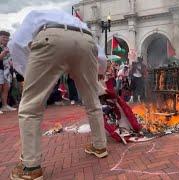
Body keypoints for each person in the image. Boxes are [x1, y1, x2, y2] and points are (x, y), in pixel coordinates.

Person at [8, 10, 108, 179]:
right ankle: (100, 146)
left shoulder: (36, 15)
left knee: (30, 106)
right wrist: (101, 71)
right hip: (86, 41)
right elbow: (101, 56)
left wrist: (28, 72)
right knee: (93, 102)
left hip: (52, 37)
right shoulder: (78, 23)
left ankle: (30, 167)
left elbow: (17, 44)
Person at [0, 30, 17, 113]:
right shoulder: (2, 48)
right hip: (0, 69)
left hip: (6, 70)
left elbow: (10, 58)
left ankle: (4, 106)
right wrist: (4, 52)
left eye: (7, 38)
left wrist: (11, 62)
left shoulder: (7, 47)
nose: (6, 39)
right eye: (3, 37)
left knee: (6, 88)